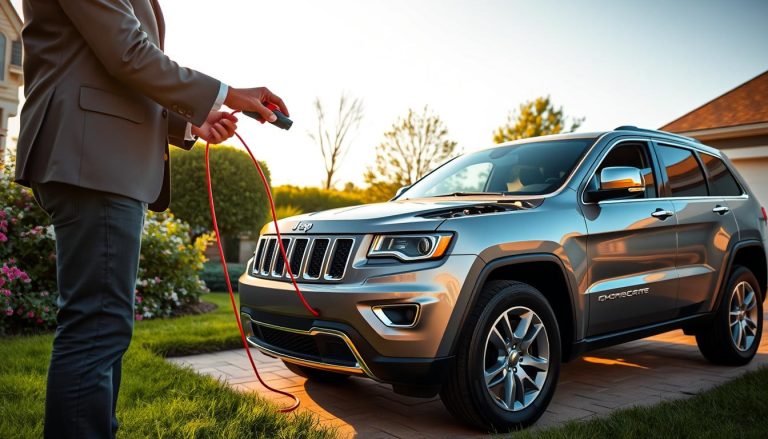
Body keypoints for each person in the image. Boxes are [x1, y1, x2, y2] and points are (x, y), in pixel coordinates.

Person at [14, 1, 289, 437]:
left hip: (100, 158)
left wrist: (192, 123)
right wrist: (226, 93)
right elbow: (128, 52)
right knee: (97, 327)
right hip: (94, 160)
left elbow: (110, 68)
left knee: (102, 327)